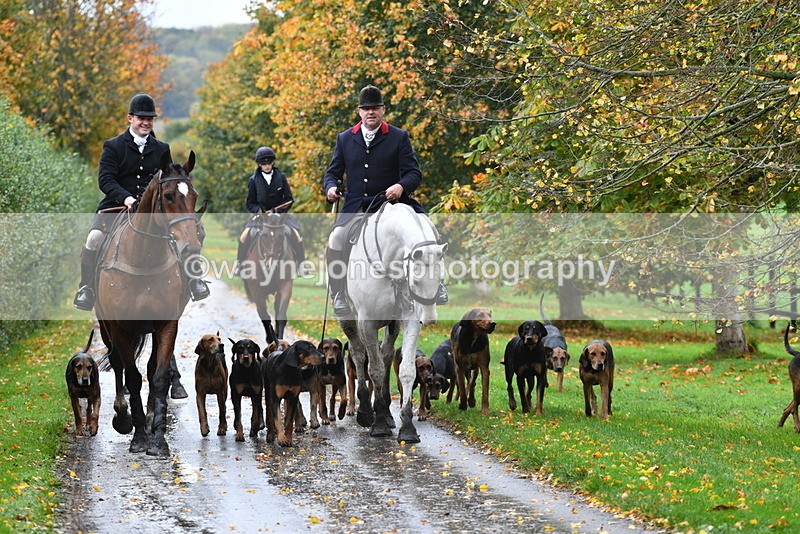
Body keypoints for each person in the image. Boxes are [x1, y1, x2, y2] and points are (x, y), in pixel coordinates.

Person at [72, 93, 206, 398]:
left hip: (155, 211)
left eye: (150, 118)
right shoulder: (113, 146)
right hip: (118, 208)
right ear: (130, 119)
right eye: (141, 118)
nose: (146, 122)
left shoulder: (162, 148)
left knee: (189, 235)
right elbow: (105, 180)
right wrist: (127, 198)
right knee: (93, 240)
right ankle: (87, 288)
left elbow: (170, 181)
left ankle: (194, 280)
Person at [322, 85, 447, 317]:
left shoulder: (399, 137)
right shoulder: (344, 139)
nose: (371, 112)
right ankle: (338, 293)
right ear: (359, 112)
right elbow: (333, 173)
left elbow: (413, 173)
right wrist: (330, 187)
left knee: (429, 229)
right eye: (366, 109)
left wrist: (400, 186)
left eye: (375, 108)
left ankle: (437, 285)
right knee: (336, 237)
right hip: (358, 205)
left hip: (394, 205)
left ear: (383, 110)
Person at [234, 146, 305, 275]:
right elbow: (250, 203)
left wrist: (279, 210)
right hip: (261, 216)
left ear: (272, 163)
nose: (266, 166)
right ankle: (240, 264)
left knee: (296, 234)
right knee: (244, 236)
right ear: (259, 164)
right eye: (263, 164)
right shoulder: (253, 180)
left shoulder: (281, 177)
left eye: (268, 163)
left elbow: (289, 198)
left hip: (280, 216)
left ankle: (301, 265)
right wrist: (259, 210)